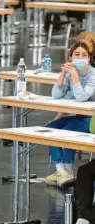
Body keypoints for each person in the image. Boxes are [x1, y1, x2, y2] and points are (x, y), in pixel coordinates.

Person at [44, 42, 95, 187]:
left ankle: (68, 170)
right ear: (70, 57)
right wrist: (63, 74)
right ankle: (61, 171)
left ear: (89, 58)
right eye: (76, 54)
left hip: (92, 118)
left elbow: (81, 97)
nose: (80, 57)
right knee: (51, 128)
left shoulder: (93, 75)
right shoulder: (69, 71)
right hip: (78, 115)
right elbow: (56, 95)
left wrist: (74, 76)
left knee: (67, 131)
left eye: (84, 55)